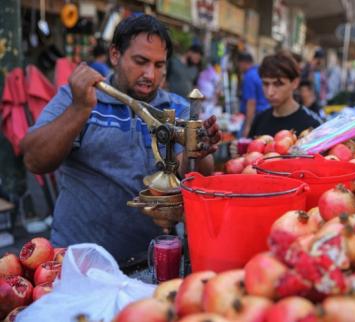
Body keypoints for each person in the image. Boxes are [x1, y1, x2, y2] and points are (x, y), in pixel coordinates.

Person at [20, 15, 220, 262]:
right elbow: (34, 160)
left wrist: (199, 152)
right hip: (76, 260)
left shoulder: (177, 108)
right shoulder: (79, 97)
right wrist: (79, 109)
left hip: (147, 262)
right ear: (115, 55)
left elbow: (195, 175)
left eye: (159, 65)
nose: (150, 74)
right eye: (140, 61)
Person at [248, 52, 322, 138]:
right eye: (265, 84)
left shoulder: (312, 124)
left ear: (295, 83)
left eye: (278, 84)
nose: (270, 92)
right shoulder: (259, 120)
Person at [237, 52, 270, 137]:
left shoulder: (249, 77)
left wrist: (248, 126)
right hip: (265, 115)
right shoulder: (258, 72)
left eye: (239, 64)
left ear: (243, 63)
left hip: (256, 116)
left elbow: (251, 102)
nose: (239, 67)